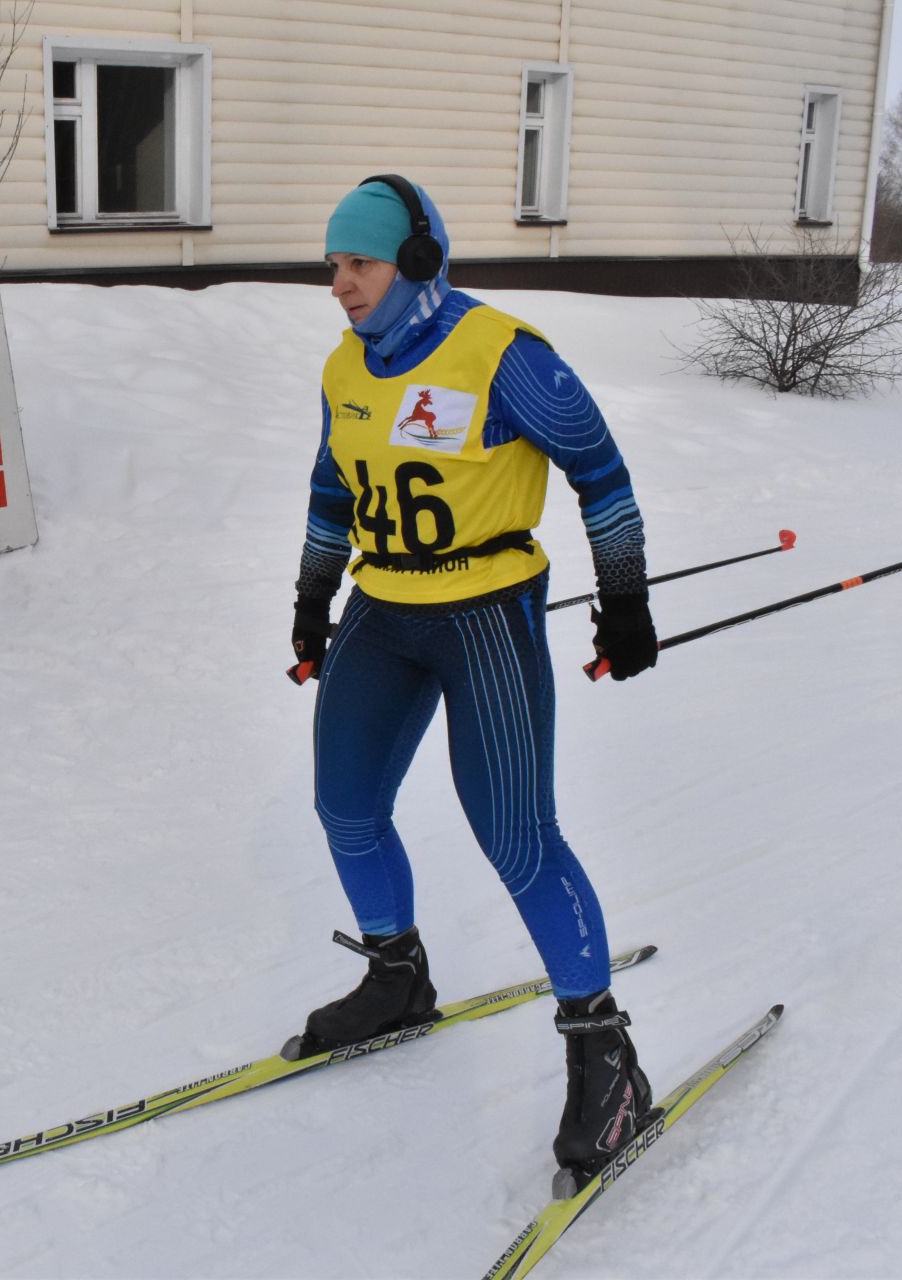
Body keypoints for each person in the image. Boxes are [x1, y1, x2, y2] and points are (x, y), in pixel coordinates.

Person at [287, 175, 662, 1190]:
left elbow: (603, 472)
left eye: (357, 263)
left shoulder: (503, 353)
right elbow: (333, 489)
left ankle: (607, 1050)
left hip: (483, 612)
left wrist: (622, 598)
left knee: (516, 833)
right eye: (333, 266)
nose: (340, 285)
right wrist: (313, 598)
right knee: (345, 804)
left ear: (413, 262)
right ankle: (398, 972)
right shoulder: (345, 365)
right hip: (383, 607)